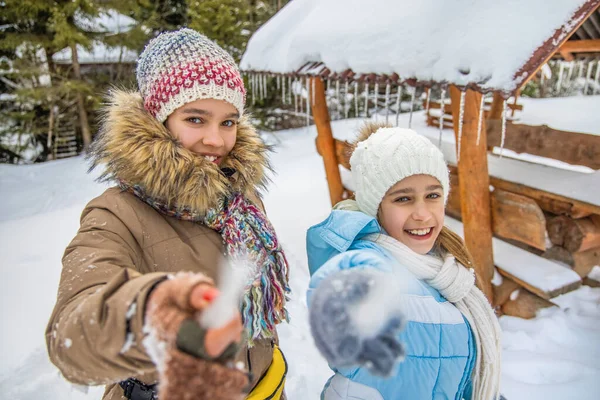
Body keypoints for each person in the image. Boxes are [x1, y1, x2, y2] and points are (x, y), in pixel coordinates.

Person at [46, 28, 290, 400]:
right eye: (196, 119)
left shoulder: (241, 197)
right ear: (158, 120)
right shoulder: (116, 215)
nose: (217, 140)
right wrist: (149, 314)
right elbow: (70, 336)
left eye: (228, 121)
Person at [306, 123, 502, 399]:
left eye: (432, 195)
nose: (422, 213)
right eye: (404, 199)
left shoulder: (443, 263)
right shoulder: (366, 269)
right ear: (375, 207)